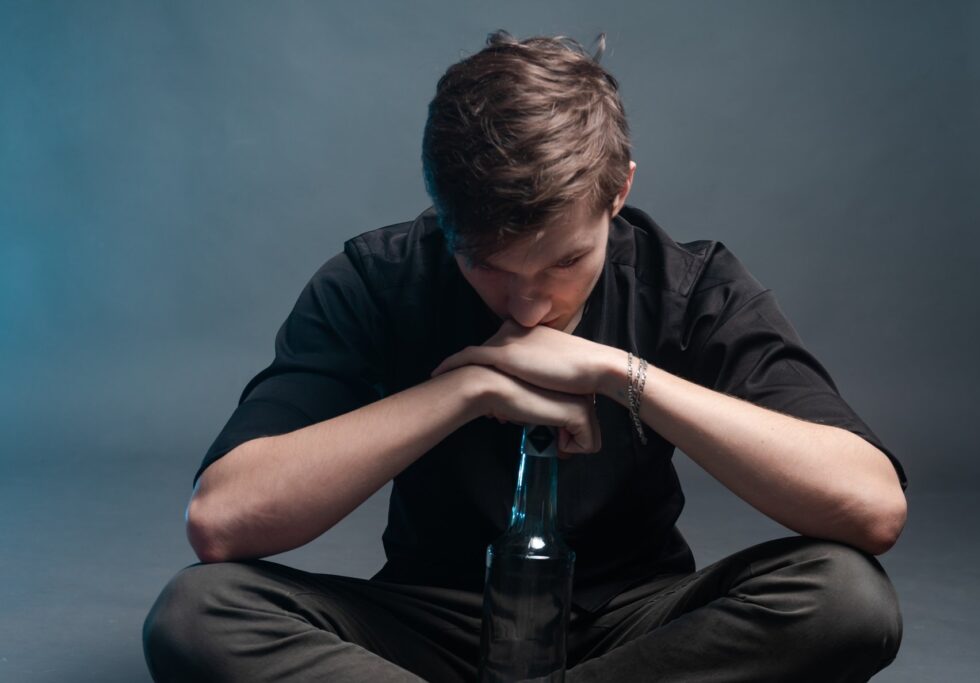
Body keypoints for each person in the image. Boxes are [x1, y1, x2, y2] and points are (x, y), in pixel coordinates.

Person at [142, 30, 908, 682]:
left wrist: (618, 373)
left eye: (563, 264)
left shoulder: (689, 284)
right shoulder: (377, 278)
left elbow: (870, 506)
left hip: (633, 627)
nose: (529, 308)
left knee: (848, 598)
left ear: (620, 189)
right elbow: (221, 519)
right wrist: (468, 388)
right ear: (444, 217)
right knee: (197, 613)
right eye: (489, 266)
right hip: (431, 624)